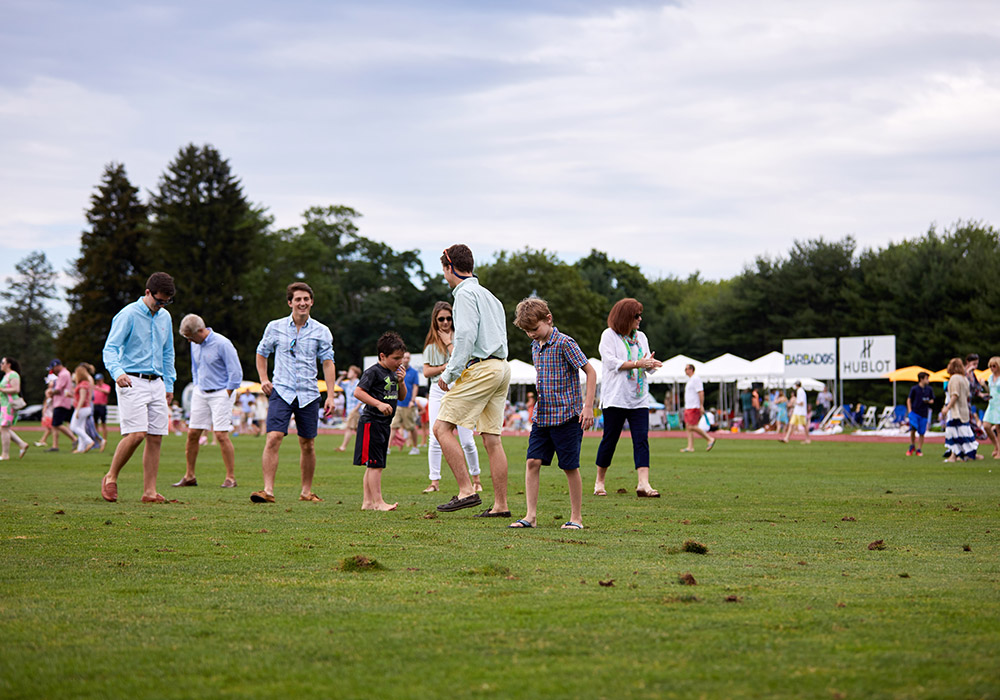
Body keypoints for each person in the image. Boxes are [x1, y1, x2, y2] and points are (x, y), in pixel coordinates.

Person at [433, 244, 511, 516]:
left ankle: (466, 491)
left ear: (449, 267)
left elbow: (464, 337)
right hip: (501, 366)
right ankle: (500, 506)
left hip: (481, 368)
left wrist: (449, 374)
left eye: (444, 269)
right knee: (492, 438)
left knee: (441, 428)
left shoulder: (464, 295)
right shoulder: (489, 295)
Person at [508, 297, 596, 530]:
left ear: (548, 319)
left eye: (534, 329)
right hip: (542, 416)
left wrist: (588, 406)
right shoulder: (534, 346)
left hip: (567, 416)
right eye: (527, 331)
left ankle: (576, 518)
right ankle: (530, 516)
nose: (532, 335)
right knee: (532, 461)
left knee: (569, 466)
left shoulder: (565, 343)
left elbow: (590, 371)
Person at [251, 282, 337, 504]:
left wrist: (331, 395)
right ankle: (268, 490)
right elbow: (261, 353)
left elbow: (328, 363)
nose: (302, 303)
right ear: (290, 302)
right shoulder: (275, 327)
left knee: (307, 443)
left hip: (309, 393)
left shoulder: (322, 331)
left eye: (306, 299)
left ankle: (306, 492)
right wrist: (263, 379)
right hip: (282, 390)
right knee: (273, 437)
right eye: (298, 299)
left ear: (311, 302)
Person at [99, 272, 178, 503]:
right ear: (147, 293)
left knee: (156, 437)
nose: (161, 306)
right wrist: (117, 373)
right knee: (137, 434)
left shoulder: (165, 317)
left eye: (166, 302)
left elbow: (167, 352)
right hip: (131, 379)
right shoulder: (128, 314)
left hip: (158, 382)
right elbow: (110, 349)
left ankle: (150, 492)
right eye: (159, 300)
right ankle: (111, 477)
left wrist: (169, 383)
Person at [593, 298, 664, 498]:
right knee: (610, 439)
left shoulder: (641, 337)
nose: (640, 319)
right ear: (625, 317)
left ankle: (643, 483)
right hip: (615, 397)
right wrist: (638, 363)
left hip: (639, 398)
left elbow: (645, 367)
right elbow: (610, 362)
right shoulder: (609, 335)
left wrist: (650, 364)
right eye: (636, 316)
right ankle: (600, 480)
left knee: (641, 440)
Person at [172, 314, 243, 489]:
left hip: (221, 392)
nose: (189, 341)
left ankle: (230, 478)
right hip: (201, 391)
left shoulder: (223, 344)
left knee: (220, 434)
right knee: (192, 433)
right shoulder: (195, 345)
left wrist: (227, 392)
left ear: (200, 331)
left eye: (190, 337)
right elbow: (195, 368)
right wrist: (197, 385)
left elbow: (236, 372)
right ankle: (189, 476)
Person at [421, 301, 482, 494]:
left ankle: (476, 479)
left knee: (467, 439)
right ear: (435, 321)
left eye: (449, 318)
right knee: (434, 437)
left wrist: (448, 343)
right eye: (441, 319)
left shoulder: (460, 338)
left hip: (459, 389)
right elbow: (426, 371)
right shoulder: (431, 345)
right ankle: (434, 481)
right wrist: (443, 368)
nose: (445, 322)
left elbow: (461, 361)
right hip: (438, 390)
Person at [353, 332, 408, 511]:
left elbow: (402, 396)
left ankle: (368, 503)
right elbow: (358, 392)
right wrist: (378, 404)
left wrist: (401, 382)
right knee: (376, 464)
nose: (400, 362)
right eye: (396, 358)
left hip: (384, 424)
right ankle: (378, 502)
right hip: (372, 422)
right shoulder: (373, 372)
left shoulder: (393, 373)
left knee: (374, 464)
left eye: (402, 358)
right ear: (382, 356)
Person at [942, 357, 980, 462]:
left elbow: (955, 395)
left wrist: (947, 407)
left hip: (955, 411)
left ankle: (958, 455)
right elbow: (968, 395)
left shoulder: (954, 378)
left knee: (953, 433)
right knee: (961, 432)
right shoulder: (964, 379)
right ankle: (963, 454)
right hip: (964, 411)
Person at [388, 352, 421, 455]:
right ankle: (387, 448)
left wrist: (412, 400)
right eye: (404, 358)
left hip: (408, 404)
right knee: (393, 426)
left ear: (409, 359)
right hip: (397, 403)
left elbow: (415, 387)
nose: (406, 360)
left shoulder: (414, 372)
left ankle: (415, 447)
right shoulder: (396, 371)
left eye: (407, 358)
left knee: (411, 427)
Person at [680, 364, 715, 453]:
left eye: (686, 369)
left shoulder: (696, 379)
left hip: (694, 406)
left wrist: (701, 405)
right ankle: (690, 446)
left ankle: (709, 438)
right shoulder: (690, 380)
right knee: (688, 427)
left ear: (691, 369)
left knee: (692, 426)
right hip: (688, 406)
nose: (685, 371)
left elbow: (700, 392)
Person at [0, 357, 30, 460]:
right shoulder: (6, 375)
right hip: (4, 405)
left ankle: (5, 454)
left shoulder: (13, 375)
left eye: (3, 362)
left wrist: (2, 389)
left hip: (9, 405)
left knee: (4, 428)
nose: (1, 364)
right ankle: (21, 444)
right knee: (3, 428)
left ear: (8, 364)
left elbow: (16, 389)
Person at [45, 359, 76, 452]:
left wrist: (50, 392)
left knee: (57, 423)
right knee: (54, 425)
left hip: (61, 402)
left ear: (57, 365)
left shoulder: (63, 374)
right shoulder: (64, 374)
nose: (53, 370)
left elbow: (58, 389)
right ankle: (55, 445)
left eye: (53, 368)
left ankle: (74, 439)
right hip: (60, 401)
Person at [906, 371, 935, 457]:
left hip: (924, 413)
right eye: (926, 378)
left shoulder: (929, 389)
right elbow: (909, 399)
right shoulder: (914, 389)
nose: (928, 380)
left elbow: (932, 400)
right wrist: (910, 410)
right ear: (921, 379)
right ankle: (912, 446)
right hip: (915, 412)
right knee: (913, 429)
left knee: (922, 432)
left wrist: (929, 401)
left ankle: (919, 449)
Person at [69, 364, 95, 453]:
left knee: (73, 427)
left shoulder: (83, 384)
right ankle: (81, 448)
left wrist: (77, 410)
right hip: (85, 408)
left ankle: (90, 441)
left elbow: (82, 398)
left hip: (82, 408)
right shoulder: (84, 383)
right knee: (81, 428)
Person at [336, 365, 362, 452]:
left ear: (355, 374)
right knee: (358, 430)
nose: (348, 373)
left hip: (355, 410)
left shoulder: (358, 383)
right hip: (349, 410)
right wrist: (342, 376)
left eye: (350, 372)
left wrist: (356, 409)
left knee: (349, 428)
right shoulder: (347, 384)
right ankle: (367, 446)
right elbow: (337, 385)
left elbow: (361, 397)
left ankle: (343, 447)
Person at [982, 357, 1000, 459]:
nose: (992, 368)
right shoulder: (990, 377)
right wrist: (984, 386)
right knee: (986, 425)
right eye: (991, 366)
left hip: (999, 404)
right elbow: (991, 390)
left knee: (998, 428)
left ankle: (999, 452)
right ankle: (996, 446)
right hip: (992, 404)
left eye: (994, 366)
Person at [92, 373, 111, 450]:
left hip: (102, 406)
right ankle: (98, 439)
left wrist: (98, 388)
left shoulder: (106, 386)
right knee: (95, 424)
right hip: (95, 406)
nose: (98, 382)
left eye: (99, 380)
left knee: (103, 424)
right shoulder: (95, 387)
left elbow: (107, 392)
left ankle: (104, 439)